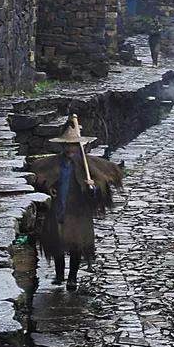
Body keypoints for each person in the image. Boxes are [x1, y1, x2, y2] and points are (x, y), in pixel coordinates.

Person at [31, 117, 123, 290]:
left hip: (78, 210)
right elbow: (41, 179)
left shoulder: (89, 165)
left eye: (73, 145)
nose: (70, 149)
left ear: (78, 146)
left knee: (76, 244)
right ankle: (59, 275)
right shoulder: (53, 163)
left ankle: (72, 277)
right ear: (62, 146)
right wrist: (48, 189)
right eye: (67, 145)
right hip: (58, 208)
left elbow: (101, 185)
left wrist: (93, 187)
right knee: (56, 242)